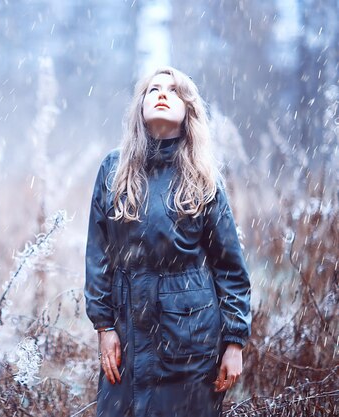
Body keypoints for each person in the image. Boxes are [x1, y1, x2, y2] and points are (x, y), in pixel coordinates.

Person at [84, 66, 251, 417]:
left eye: (173, 90)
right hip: (127, 336)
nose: (162, 94)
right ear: (140, 108)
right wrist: (104, 327)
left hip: (190, 339)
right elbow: (98, 256)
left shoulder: (203, 178)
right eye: (153, 89)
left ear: (188, 110)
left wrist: (234, 343)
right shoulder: (113, 170)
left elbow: (229, 267)